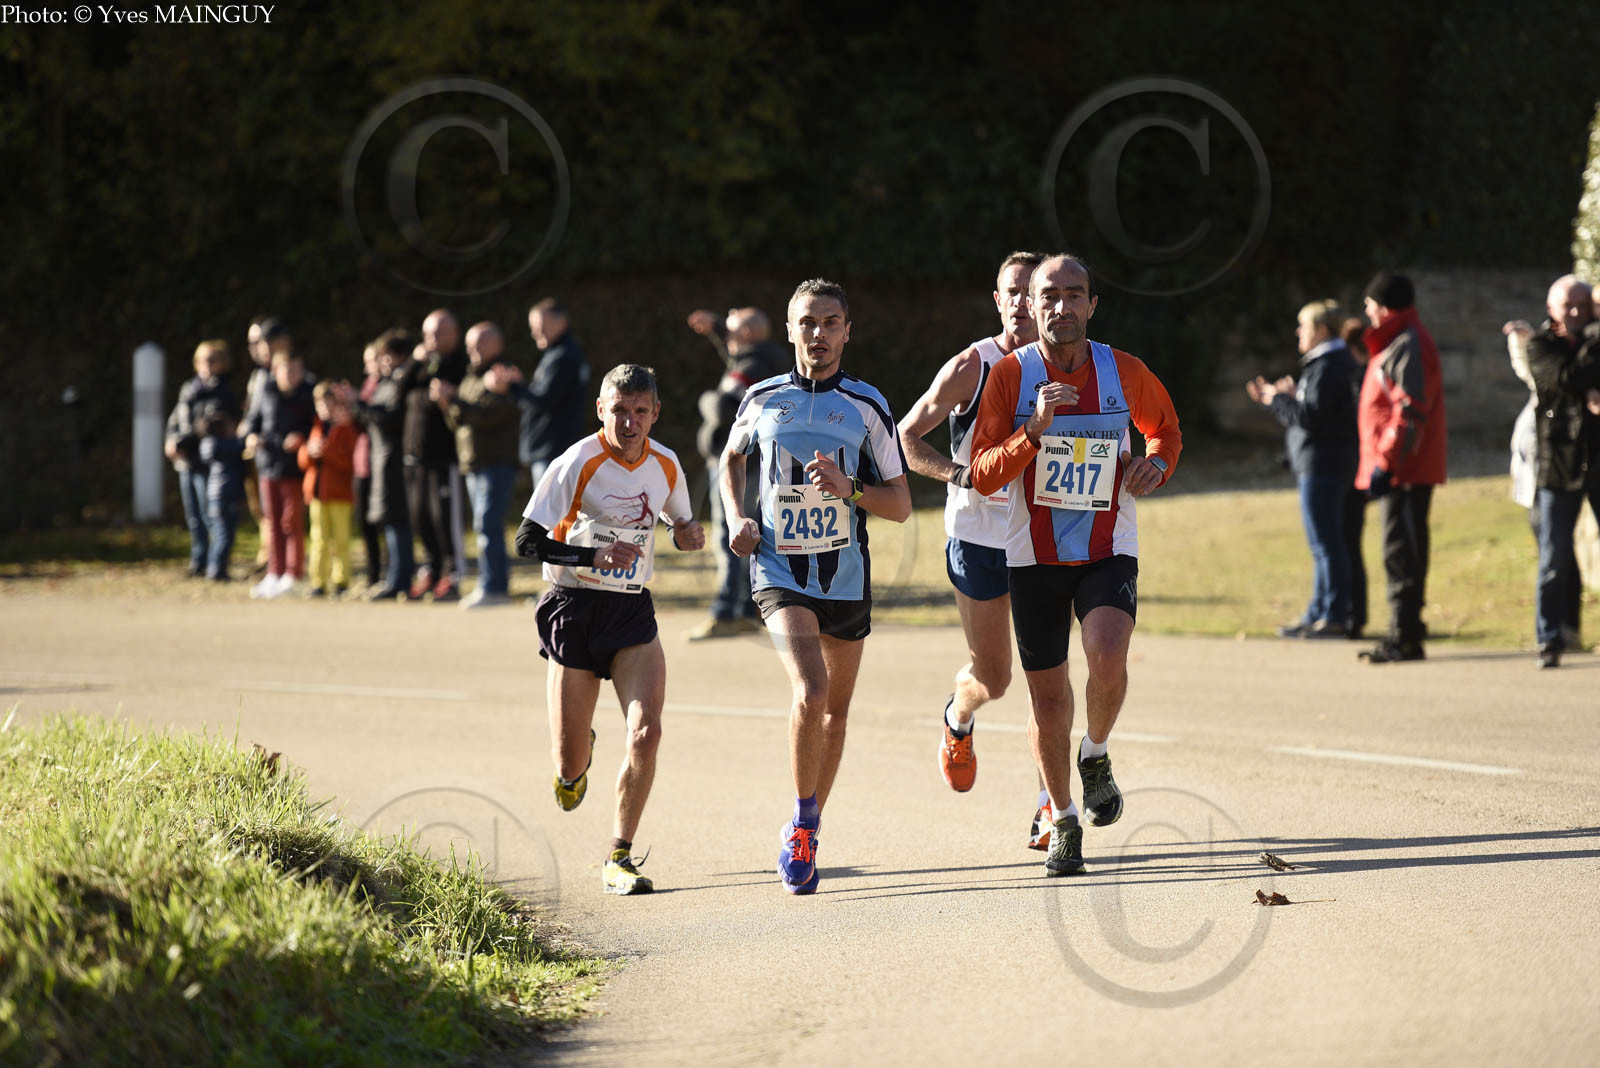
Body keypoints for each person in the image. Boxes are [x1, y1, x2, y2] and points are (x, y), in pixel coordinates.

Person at [968, 254, 1182, 878]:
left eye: (1074, 294)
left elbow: (1165, 430)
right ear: (1031, 306)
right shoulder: (1010, 377)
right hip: (1033, 555)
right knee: (1047, 697)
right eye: (1049, 296)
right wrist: (1033, 430)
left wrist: (1156, 465)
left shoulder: (1123, 370)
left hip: (1108, 544)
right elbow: (982, 475)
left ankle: (1096, 752)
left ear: (1092, 304)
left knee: (1108, 653)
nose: (1061, 306)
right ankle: (1063, 820)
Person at [720, 279, 912, 894]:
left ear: (847, 332)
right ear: (789, 330)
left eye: (830, 323)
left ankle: (811, 821)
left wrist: (849, 489)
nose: (819, 334)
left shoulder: (867, 404)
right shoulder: (762, 397)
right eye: (807, 323)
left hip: (846, 576)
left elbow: (901, 504)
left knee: (835, 714)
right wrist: (736, 516)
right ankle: (801, 827)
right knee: (812, 690)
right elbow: (731, 458)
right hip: (779, 571)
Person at [516, 364, 705, 895]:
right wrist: (590, 555)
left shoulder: (666, 463)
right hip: (572, 609)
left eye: (639, 412)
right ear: (601, 409)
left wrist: (686, 535)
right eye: (619, 410)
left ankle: (618, 856)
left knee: (647, 732)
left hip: (629, 612)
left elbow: (676, 521)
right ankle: (578, 754)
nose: (629, 422)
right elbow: (526, 541)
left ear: (655, 414)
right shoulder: (576, 461)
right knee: (568, 766)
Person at [896, 251, 1061, 848]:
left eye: (1030, 291)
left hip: (1043, 538)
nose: (1020, 301)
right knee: (995, 676)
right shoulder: (973, 365)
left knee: (1048, 678)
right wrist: (959, 474)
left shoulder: (1070, 365)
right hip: (979, 539)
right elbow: (907, 436)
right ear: (998, 301)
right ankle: (958, 715)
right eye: (1010, 291)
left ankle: (1050, 804)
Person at [1247, 300, 1362, 639]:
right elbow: (1316, 411)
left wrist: (1277, 400)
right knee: (1324, 544)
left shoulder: (1327, 366)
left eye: (1305, 326)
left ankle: (1333, 615)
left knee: (1327, 544)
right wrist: (1288, 397)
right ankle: (1318, 612)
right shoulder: (1330, 363)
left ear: (1322, 331)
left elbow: (1311, 417)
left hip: (1322, 465)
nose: (1298, 332)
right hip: (1324, 463)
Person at [1354, 272, 1448, 664]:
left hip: (1404, 469)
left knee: (1402, 551)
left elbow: (1410, 410)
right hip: (1399, 467)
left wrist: (1387, 463)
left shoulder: (1408, 342)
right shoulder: (1398, 340)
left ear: (1383, 306)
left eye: (1370, 304)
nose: (1366, 311)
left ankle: (1405, 635)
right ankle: (1404, 630)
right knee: (1400, 550)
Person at [1511, 275, 1600, 667]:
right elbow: (1564, 379)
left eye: (1584, 304)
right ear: (1551, 309)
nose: (1576, 311)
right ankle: (1549, 638)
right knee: (1554, 558)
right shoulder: (1541, 345)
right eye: (1568, 305)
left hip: (1597, 460)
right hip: (1560, 464)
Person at [684, 305, 789, 640]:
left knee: (731, 534)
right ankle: (746, 609)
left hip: (739, 465)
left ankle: (726, 612)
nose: (725, 337)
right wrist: (717, 326)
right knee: (749, 534)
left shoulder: (753, 366)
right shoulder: (769, 358)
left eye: (729, 330)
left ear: (745, 334)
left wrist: (704, 398)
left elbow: (721, 406)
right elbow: (733, 353)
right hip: (756, 463)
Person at [434, 321, 524, 609]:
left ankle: (494, 587)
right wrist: (447, 404)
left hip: (497, 462)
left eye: (479, 343)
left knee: (488, 523)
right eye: (470, 344)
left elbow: (490, 415)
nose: (472, 349)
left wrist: (455, 400)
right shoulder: (471, 376)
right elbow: (460, 420)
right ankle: (490, 583)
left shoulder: (503, 374)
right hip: (473, 462)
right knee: (482, 524)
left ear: (496, 345)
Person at [401, 309, 467, 602]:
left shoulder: (461, 365)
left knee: (444, 520)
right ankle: (431, 570)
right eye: (427, 333)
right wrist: (415, 362)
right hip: (416, 457)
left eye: (438, 333)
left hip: (445, 457)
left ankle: (452, 576)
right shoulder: (420, 366)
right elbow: (399, 392)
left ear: (453, 334)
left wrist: (449, 397)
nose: (431, 339)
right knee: (421, 518)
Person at [346, 330, 415, 601]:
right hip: (380, 459)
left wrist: (360, 404)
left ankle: (400, 578)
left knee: (397, 520)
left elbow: (390, 418)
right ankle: (393, 576)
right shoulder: (387, 383)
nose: (381, 362)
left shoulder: (402, 382)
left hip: (394, 460)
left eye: (385, 356)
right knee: (388, 520)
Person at [242, 348, 315, 599]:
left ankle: (293, 574)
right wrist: (251, 436)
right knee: (272, 522)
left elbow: (315, 425)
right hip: (268, 466)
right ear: (276, 370)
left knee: (290, 522)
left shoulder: (307, 393)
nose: (294, 375)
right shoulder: (266, 391)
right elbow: (252, 421)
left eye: (297, 370)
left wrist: (301, 437)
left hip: (294, 469)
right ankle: (274, 572)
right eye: (288, 370)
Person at [164, 339, 237, 578]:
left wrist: (183, 442)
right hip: (186, 461)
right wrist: (171, 440)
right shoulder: (189, 389)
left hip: (208, 463)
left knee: (210, 515)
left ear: (223, 363)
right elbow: (176, 418)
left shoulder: (224, 392)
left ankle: (216, 562)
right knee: (193, 517)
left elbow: (208, 425)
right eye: (203, 360)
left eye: (213, 360)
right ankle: (199, 559)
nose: (208, 365)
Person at [518, 298, 592, 492]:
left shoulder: (563, 356)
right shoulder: (559, 354)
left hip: (553, 450)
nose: (535, 332)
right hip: (554, 448)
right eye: (533, 327)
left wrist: (513, 387)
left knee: (550, 507)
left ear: (561, 323)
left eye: (540, 325)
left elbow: (545, 400)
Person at [298, 382, 359, 598]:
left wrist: (327, 452)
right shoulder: (316, 427)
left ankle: (341, 581)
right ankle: (318, 582)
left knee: (340, 540)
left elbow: (350, 463)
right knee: (318, 539)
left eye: (329, 403)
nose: (325, 408)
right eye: (321, 404)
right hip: (317, 494)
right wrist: (308, 452)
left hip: (339, 493)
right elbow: (303, 462)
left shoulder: (346, 429)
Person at [1340, 317, 1372, 638]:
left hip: (1352, 470)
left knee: (1348, 542)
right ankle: (1354, 614)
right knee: (1350, 543)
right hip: (1355, 468)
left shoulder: (1360, 378)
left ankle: (1354, 615)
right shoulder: (1361, 376)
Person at [197, 410, 246, 581]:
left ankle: (215, 568)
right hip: (226, 495)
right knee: (225, 536)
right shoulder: (225, 445)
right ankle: (217, 570)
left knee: (219, 535)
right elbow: (242, 445)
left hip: (215, 496)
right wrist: (244, 432)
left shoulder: (210, 444)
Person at [352, 342, 385, 589]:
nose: (368, 367)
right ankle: (373, 574)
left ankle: (387, 573)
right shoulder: (368, 386)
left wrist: (356, 404)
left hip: (379, 464)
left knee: (383, 523)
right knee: (365, 523)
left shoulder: (386, 388)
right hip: (362, 463)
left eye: (372, 360)